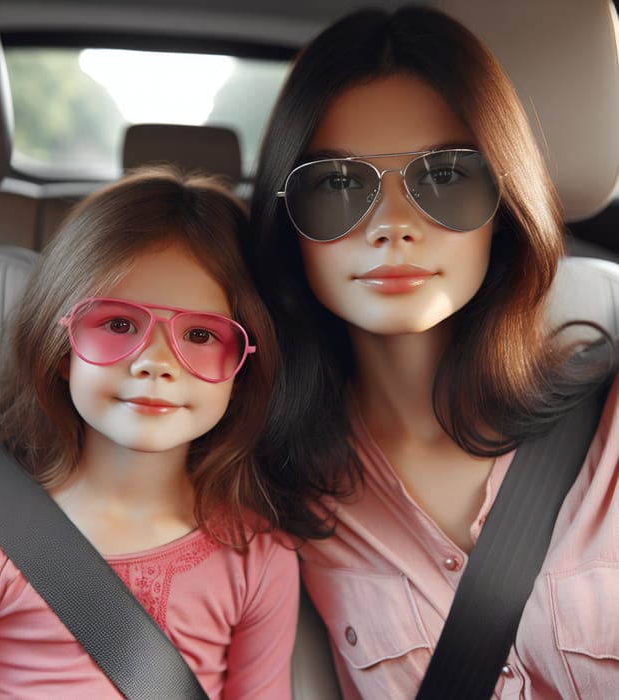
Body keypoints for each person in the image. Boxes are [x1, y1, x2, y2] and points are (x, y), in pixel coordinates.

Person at [246, 6, 618, 699]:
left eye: (445, 176)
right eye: (336, 183)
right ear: (287, 219)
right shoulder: (266, 487)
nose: (392, 226)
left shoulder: (611, 428)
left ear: (504, 201)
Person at [0, 166, 298, 699]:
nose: (156, 362)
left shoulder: (259, 559)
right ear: (62, 350)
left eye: (199, 334)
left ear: (241, 369)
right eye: (119, 324)